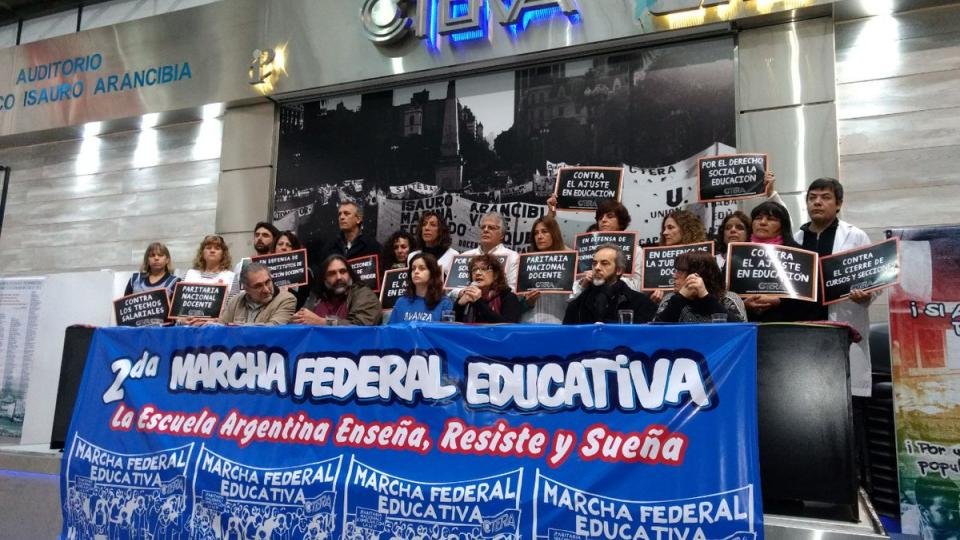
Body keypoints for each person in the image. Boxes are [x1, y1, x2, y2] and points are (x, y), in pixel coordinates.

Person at [794, 177, 874, 397]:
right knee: (807, 393)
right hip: (804, 327)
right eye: (812, 198)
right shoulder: (797, 238)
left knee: (843, 394)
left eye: (825, 197)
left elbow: (873, 279)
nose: (817, 202)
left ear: (838, 204)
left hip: (840, 326)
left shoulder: (855, 236)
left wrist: (867, 296)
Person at [741, 201, 819, 322]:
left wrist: (779, 301)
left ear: (783, 226)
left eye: (771, 219)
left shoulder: (800, 255)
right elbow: (723, 293)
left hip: (787, 325)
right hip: (746, 325)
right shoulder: (737, 252)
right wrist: (742, 304)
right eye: (758, 218)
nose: (762, 222)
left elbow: (810, 299)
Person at [563, 244, 657, 324]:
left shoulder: (641, 303)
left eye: (604, 263)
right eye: (594, 263)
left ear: (619, 270)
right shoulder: (578, 304)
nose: (597, 268)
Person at [653, 251, 746, 322]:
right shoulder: (670, 299)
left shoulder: (729, 299)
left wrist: (706, 297)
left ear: (698, 275)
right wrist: (680, 299)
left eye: (680, 272)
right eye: (676, 271)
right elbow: (655, 332)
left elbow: (743, 331)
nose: (674, 276)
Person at [291, 254, 381, 326]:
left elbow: (361, 326)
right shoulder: (317, 297)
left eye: (343, 271)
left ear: (350, 274)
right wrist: (296, 319)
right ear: (324, 279)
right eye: (332, 273)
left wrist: (323, 322)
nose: (339, 277)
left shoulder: (363, 294)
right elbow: (302, 319)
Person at [200, 263, 295, 326]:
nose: (266, 290)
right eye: (258, 286)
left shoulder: (286, 299)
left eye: (267, 282)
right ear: (246, 289)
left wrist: (237, 327)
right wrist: (209, 324)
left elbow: (272, 330)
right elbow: (222, 327)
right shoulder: (235, 301)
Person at [519, 215, 571, 324]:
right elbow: (515, 303)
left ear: (554, 234)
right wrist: (527, 302)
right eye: (536, 233)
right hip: (527, 324)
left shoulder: (568, 260)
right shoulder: (525, 262)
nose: (539, 236)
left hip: (557, 323)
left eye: (544, 231)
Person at [457, 212, 520, 291]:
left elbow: (513, 289)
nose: (485, 230)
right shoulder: (464, 256)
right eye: (483, 227)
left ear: (502, 235)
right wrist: (463, 293)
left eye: (491, 228)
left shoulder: (513, 257)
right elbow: (452, 289)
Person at [388, 253, 454, 323]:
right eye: (413, 269)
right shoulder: (401, 302)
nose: (416, 272)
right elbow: (391, 328)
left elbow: (447, 329)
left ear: (432, 272)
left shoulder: (445, 303)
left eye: (422, 268)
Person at [454, 254, 521, 323]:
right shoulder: (468, 296)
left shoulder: (508, 297)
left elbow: (508, 325)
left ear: (495, 275)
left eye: (483, 269)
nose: (477, 273)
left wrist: (479, 302)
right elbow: (455, 325)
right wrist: (459, 305)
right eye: (474, 270)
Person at [227, 221, 279, 300]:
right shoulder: (241, 265)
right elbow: (234, 295)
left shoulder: (279, 264)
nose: (259, 238)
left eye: (265, 235)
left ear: (274, 240)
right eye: (257, 235)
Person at [410, 211, 458, 276]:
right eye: (424, 224)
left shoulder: (453, 255)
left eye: (433, 225)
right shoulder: (412, 256)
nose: (426, 228)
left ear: (441, 230)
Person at [274, 230, 312, 310]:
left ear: (294, 250)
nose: (283, 248)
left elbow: (302, 302)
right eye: (280, 244)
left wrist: (288, 290)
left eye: (288, 245)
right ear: (274, 248)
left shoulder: (304, 273)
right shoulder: (265, 270)